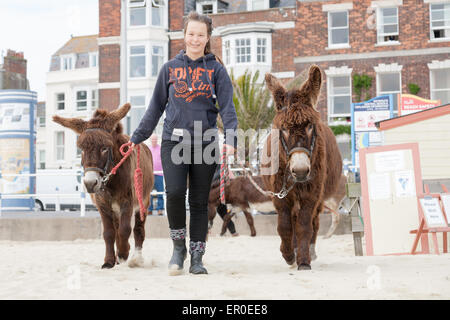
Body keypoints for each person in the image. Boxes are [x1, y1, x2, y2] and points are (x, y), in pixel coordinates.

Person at [129, 11, 237, 275]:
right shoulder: (169, 69)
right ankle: (179, 249)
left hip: (206, 143)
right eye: (191, 34)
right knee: (175, 193)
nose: (196, 39)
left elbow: (228, 108)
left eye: (201, 35)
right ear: (184, 35)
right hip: (173, 142)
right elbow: (154, 108)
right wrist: (135, 139)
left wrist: (232, 138)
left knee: (200, 201)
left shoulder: (216, 70)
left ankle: (197, 257)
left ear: (208, 37)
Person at [211, 163, 239, 237]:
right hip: (218, 193)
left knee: (220, 211)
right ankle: (233, 232)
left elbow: (231, 178)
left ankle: (232, 232)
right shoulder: (218, 166)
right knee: (222, 211)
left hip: (218, 193)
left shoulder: (220, 166)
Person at [147, 133, 164, 216]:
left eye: (155, 139)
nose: (154, 140)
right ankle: (149, 209)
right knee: (149, 193)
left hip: (159, 174)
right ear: (150, 140)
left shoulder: (161, 149)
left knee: (160, 192)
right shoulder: (148, 149)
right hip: (150, 174)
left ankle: (160, 209)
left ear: (157, 140)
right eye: (152, 139)